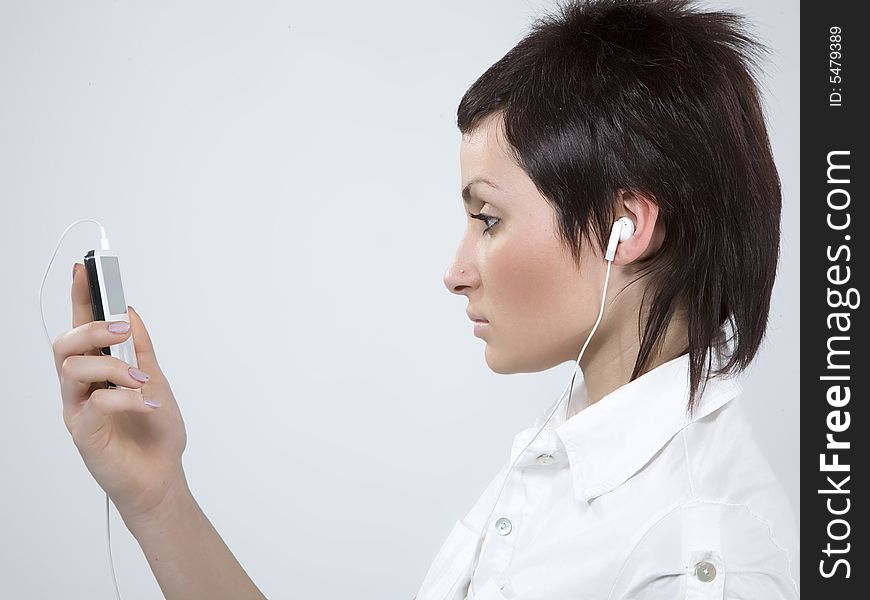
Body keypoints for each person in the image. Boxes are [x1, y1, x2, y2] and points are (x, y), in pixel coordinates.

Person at [51, 0, 798, 598]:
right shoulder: (563, 458)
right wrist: (158, 497)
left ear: (624, 226)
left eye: (488, 218)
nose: (456, 270)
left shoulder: (705, 555)